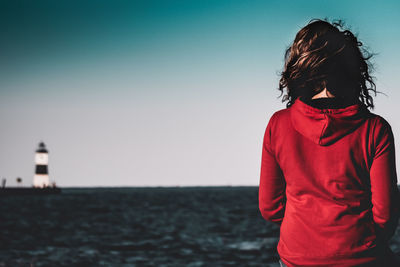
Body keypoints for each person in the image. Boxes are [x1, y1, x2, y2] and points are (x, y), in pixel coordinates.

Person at [259, 19, 400, 266]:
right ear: (352, 68)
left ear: (298, 69)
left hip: (297, 257)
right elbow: (386, 215)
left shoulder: (278, 125)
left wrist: (305, 228)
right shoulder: (375, 129)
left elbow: (270, 208)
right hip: (362, 256)